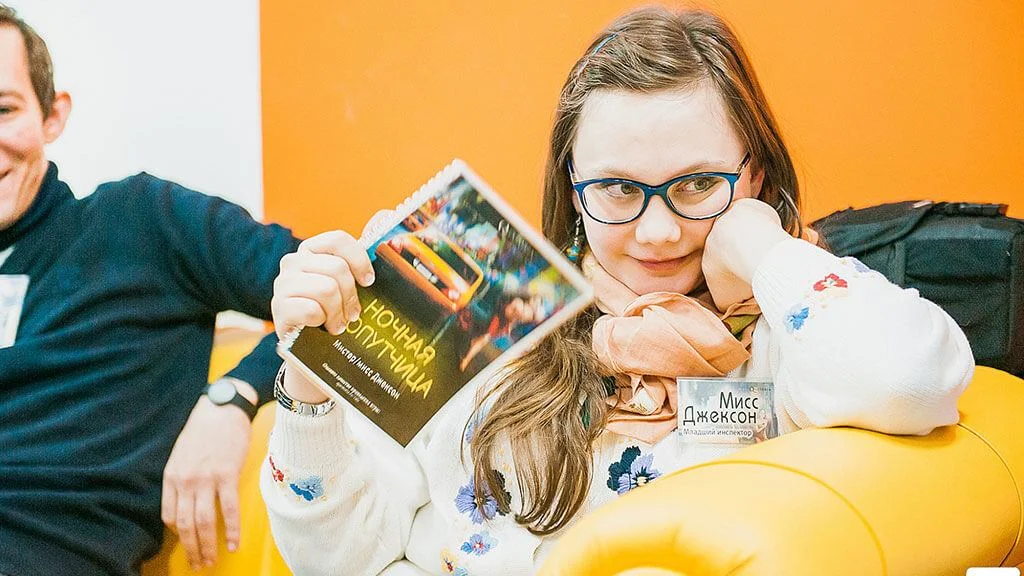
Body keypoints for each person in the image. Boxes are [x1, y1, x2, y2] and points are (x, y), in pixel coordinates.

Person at [262, 7, 974, 576]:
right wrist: (309, 382)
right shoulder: (488, 314)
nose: (658, 231)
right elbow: (336, 560)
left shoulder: (791, 341)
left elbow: (910, 381)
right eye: (617, 189)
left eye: (699, 184)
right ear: (574, 190)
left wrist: (760, 245)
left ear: (754, 175)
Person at [0, 6, 300, 576]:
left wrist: (235, 395)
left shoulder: (140, 224)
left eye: (3, 110)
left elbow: (339, 292)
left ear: (52, 116)